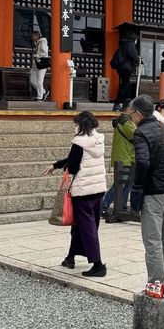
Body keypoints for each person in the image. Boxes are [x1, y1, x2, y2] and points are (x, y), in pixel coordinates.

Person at [43, 110, 107, 278]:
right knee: (80, 226)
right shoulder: (98, 140)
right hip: (98, 189)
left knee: (87, 228)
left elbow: (73, 166)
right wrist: (56, 165)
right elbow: (75, 159)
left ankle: (98, 264)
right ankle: (70, 257)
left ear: (81, 125)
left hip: (84, 191)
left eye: (76, 124)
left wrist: (63, 167)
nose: (75, 127)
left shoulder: (79, 142)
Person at [128, 94, 164, 283]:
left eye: (131, 114)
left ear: (139, 114)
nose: (131, 118)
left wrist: (137, 187)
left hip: (154, 190)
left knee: (152, 240)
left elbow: (142, 162)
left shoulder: (141, 133)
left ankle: (157, 282)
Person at [102, 102, 135, 219]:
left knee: (127, 184)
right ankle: (103, 206)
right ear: (130, 109)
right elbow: (136, 135)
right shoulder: (125, 122)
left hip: (127, 157)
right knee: (120, 184)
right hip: (124, 157)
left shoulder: (125, 121)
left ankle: (122, 207)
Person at [111, 34, 140, 107]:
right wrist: (139, 61)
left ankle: (126, 103)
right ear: (134, 39)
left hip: (121, 68)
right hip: (126, 68)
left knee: (127, 85)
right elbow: (132, 54)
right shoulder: (131, 44)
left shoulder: (123, 45)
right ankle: (117, 103)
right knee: (126, 85)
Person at [30, 29, 49, 101]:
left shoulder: (43, 41)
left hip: (42, 64)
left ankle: (40, 97)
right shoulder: (36, 42)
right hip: (36, 64)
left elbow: (44, 53)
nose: (32, 38)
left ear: (36, 36)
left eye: (33, 36)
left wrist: (36, 55)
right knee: (32, 80)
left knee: (39, 81)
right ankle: (44, 92)